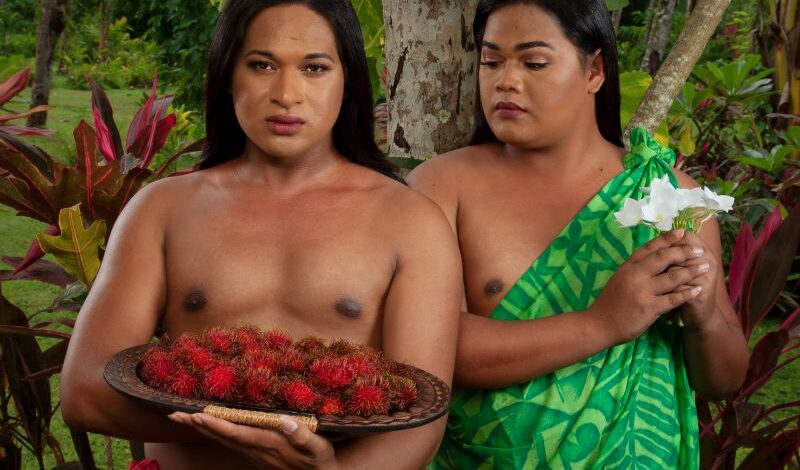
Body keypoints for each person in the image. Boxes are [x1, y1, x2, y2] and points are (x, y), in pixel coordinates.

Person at [60, 1, 462, 468]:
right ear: (229, 75)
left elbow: (422, 418)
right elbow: (84, 392)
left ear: (348, 80)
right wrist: (251, 436)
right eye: (262, 65)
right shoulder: (162, 209)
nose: (287, 94)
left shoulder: (412, 222)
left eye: (314, 68)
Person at [407, 1, 749, 468]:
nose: (506, 80)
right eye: (491, 61)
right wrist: (602, 324)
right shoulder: (439, 187)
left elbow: (722, 380)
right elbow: (430, 349)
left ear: (594, 70)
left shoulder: (669, 199)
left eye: (533, 62)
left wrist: (704, 316)